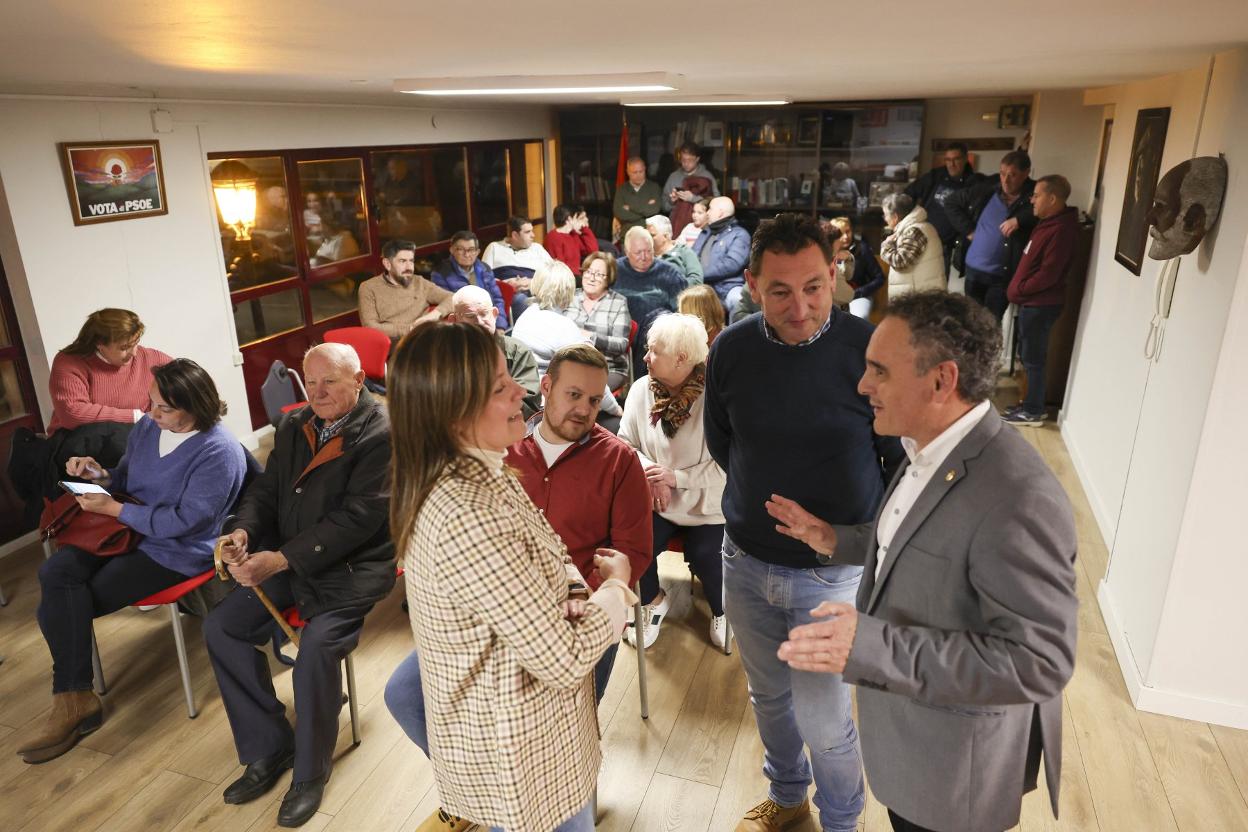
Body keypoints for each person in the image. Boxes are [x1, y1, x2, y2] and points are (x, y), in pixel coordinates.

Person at [770, 291, 1078, 832]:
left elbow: (1040, 660)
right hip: (912, 744)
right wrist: (830, 538)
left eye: (879, 371)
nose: (863, 385)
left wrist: (867, 644)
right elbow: (919, 538)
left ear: (942, 381)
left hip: (954, 772)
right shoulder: (928, 447)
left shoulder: (1017, 498)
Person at [387, 322, 638, 832]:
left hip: (533, 729)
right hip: (518, 753)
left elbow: (551, 546)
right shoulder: (465, 513)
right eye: (502, 386)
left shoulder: (489, 469)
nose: (520, 390)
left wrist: (572, 593)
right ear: (455, 409)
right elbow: (565, 660)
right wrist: (614, 590)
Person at [704, 213, 904, 832]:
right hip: (745, 562)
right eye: (781, 291)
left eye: (814, 286)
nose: (800, 306)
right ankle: (788, 798)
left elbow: (898, 467)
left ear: (834, 274)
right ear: (751, 284)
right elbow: (722, 441)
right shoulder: (731, 349)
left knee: (823, 718)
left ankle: (842, 821)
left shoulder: (867, 352)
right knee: (769, 698)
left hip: (831, 574)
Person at [19, 359, 247, 765]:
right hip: (125, 531)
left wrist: (114, 512)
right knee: (55, 573)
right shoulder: (147, 427)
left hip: (177, 550)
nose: (151, 413)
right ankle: (74, 697)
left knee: (73, 598)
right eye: (151, 402)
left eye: (163, 408)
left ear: (196, 406)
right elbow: (125, 479)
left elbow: (186, 522)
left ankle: (73, 700)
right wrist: (99, 475)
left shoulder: (219, 452)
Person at [205, 343, 394, 828]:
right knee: (221, 627)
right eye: (309, 382)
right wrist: (243, 531)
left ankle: (310, 772)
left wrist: (280, 558)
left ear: (358, 380)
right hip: (288, 560)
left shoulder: (382, 432)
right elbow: (265, 492)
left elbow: (360, 519)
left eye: (329, 381)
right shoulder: (294, 424)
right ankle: (270, 746)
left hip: (351, 568)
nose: (317, 392)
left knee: (314, 649)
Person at [619, 314, 727, 650]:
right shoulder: (641, 390)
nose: (645, 357)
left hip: (707, 501)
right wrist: (654, 477)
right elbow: (625, 444)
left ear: (682, 358)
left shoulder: (716, 398)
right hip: (657, 497)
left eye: (653, 351)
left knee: (706, 553)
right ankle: (654, 599)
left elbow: (726, 464)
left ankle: (724, 609)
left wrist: (675, 478)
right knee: (634, 542)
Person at [1004, 175, 1079, 426]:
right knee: (1029, 357)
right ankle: (1029, 404)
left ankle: (1034, 411)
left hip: (1040, 305)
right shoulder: (1047, 223)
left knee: (1034, 359)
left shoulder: (1061, 229)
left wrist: (1021, 289)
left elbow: (1049, 273)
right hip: (1031, 303)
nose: (1032, 200)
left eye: (1036, 195)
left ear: (1052, 198)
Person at [946, 150, 1037, 321]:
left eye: (1013, 175)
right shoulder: (988, 187)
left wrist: (1020, 219)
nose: (1005, 180)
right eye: (1002, 173)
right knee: (970, 324)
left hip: (1001, 277)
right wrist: (969, 231)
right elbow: (951, 202)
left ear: (1026, 174)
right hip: (974, 270)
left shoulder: (1035, 194)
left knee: (990, 326)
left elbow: (1051, 209)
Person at [451, 285, 542, 419]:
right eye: (470, 316)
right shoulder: (443, 355)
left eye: (484, 313)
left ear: (494, 314)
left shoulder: (516, 352)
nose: (479, 322)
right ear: (453, 320)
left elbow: (528, 403)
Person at [615, 226, 688, 372]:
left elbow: (683, 311)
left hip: (656, 335)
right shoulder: (614, 269)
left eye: (648, 251)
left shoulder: (670, 274)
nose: (644, 257)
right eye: (638, 252)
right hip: (620, 331)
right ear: (627, 252)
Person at [904, 142, 982, 276]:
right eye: (948, 160)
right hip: (921, 238)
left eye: (956, 159)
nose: (951, 164)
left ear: (965, 159)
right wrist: (911, 218)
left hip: (945, 245)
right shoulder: (935, 176)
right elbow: (909, 193)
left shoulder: (973, 183)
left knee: (938, 286)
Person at [359, 239, 454, 340]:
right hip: (395, 346)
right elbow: (370, 327)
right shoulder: (368, 288)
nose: (409, 267)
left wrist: (434, 315)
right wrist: (411, 329)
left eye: (411, 261)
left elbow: (454, 297)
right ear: (387, 264)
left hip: (425, 339)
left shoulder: (420, 282)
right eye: (402, 261)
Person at [564, 251, 631, 389]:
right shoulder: (570, 297)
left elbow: (622, 344)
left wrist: (591, 337)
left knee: (584, 392)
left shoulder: (618, 302)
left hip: (608, 367)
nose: (591, 278)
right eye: (588, 272)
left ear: (608, 279)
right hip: (571, 365)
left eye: (599, 274)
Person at [481, 217, 555, 324]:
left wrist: (533, 283)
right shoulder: (494, 248)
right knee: (521, 300)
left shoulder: (537, 249)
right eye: (527, 232)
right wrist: (508, 285)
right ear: (515, 235)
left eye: (532, 231)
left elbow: (555, 273)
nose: (533, 235)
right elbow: (485, 277)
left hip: (537, 292)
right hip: (509, 294)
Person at [431, 231, 508, 326]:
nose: (466, 254)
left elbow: (497, 299)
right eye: (460, 249)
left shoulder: (485, 269)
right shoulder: (441, 273)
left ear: (477, 252)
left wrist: (500, 325)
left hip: (488, 320)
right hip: (463, 325)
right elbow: (448, 307)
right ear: (452, 250)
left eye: (471, 250)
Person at [879, 193, 946, 300]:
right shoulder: (920, 226)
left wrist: (886, 246)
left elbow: (900, 262)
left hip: (920, 299)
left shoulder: (914, 231)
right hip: (922, 295)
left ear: (895, 217)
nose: (885, 219)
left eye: (885, 214)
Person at [693, 196, 751, 317]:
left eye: (710, 209)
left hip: (728, 287)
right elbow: (693, 256)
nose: (707, 213)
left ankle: (735, 335)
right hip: (701, 285)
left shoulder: (740, 234)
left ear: (720, 212)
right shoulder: (706, 232)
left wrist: (700, 274)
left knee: (737, 299)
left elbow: (732, 264)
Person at [828, 217, 885, 318]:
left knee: (859, 317)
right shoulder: (827, 251)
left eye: (848, 231)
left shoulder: (862, 248)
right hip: (834, 296)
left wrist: (860, 292)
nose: (846, 236)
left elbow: (880, 278)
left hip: (859, 295)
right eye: (841, 233)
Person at [662, 141, 720, 215]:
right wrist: (672, 202)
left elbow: (716, 203)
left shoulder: (707, 177)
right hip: (677, 222)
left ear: (697, 159)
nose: (686, 163)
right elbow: (664, 207)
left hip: (700, 224)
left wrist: (693, 198)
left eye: (690, 160)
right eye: (683, 160)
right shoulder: (673, 177)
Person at [646, 214, 704, 285]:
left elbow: (696, 280)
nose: (647, 238)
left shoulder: (684, 252)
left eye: (652, 235)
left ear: (666, 236)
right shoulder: (645, 256)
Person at [612, 157, 661, 238]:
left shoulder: (654, 188)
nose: (638, 175)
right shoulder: (621, 190)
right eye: (634, 172)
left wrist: (630, 207)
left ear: (645, 169)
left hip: (650, 237)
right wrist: (645, 211)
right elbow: (619, 213)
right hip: (627, 236)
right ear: (628, 172)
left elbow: (654, 210)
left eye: (641, 171)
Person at [543, 204, 598, 276]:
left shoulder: (573, 235)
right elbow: (559, 267)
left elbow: (592, 251)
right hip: (565, 278)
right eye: (578, 219)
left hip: (576, 276)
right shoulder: (553, 237)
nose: (583, 221)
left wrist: (584, 229)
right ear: (569, 219)